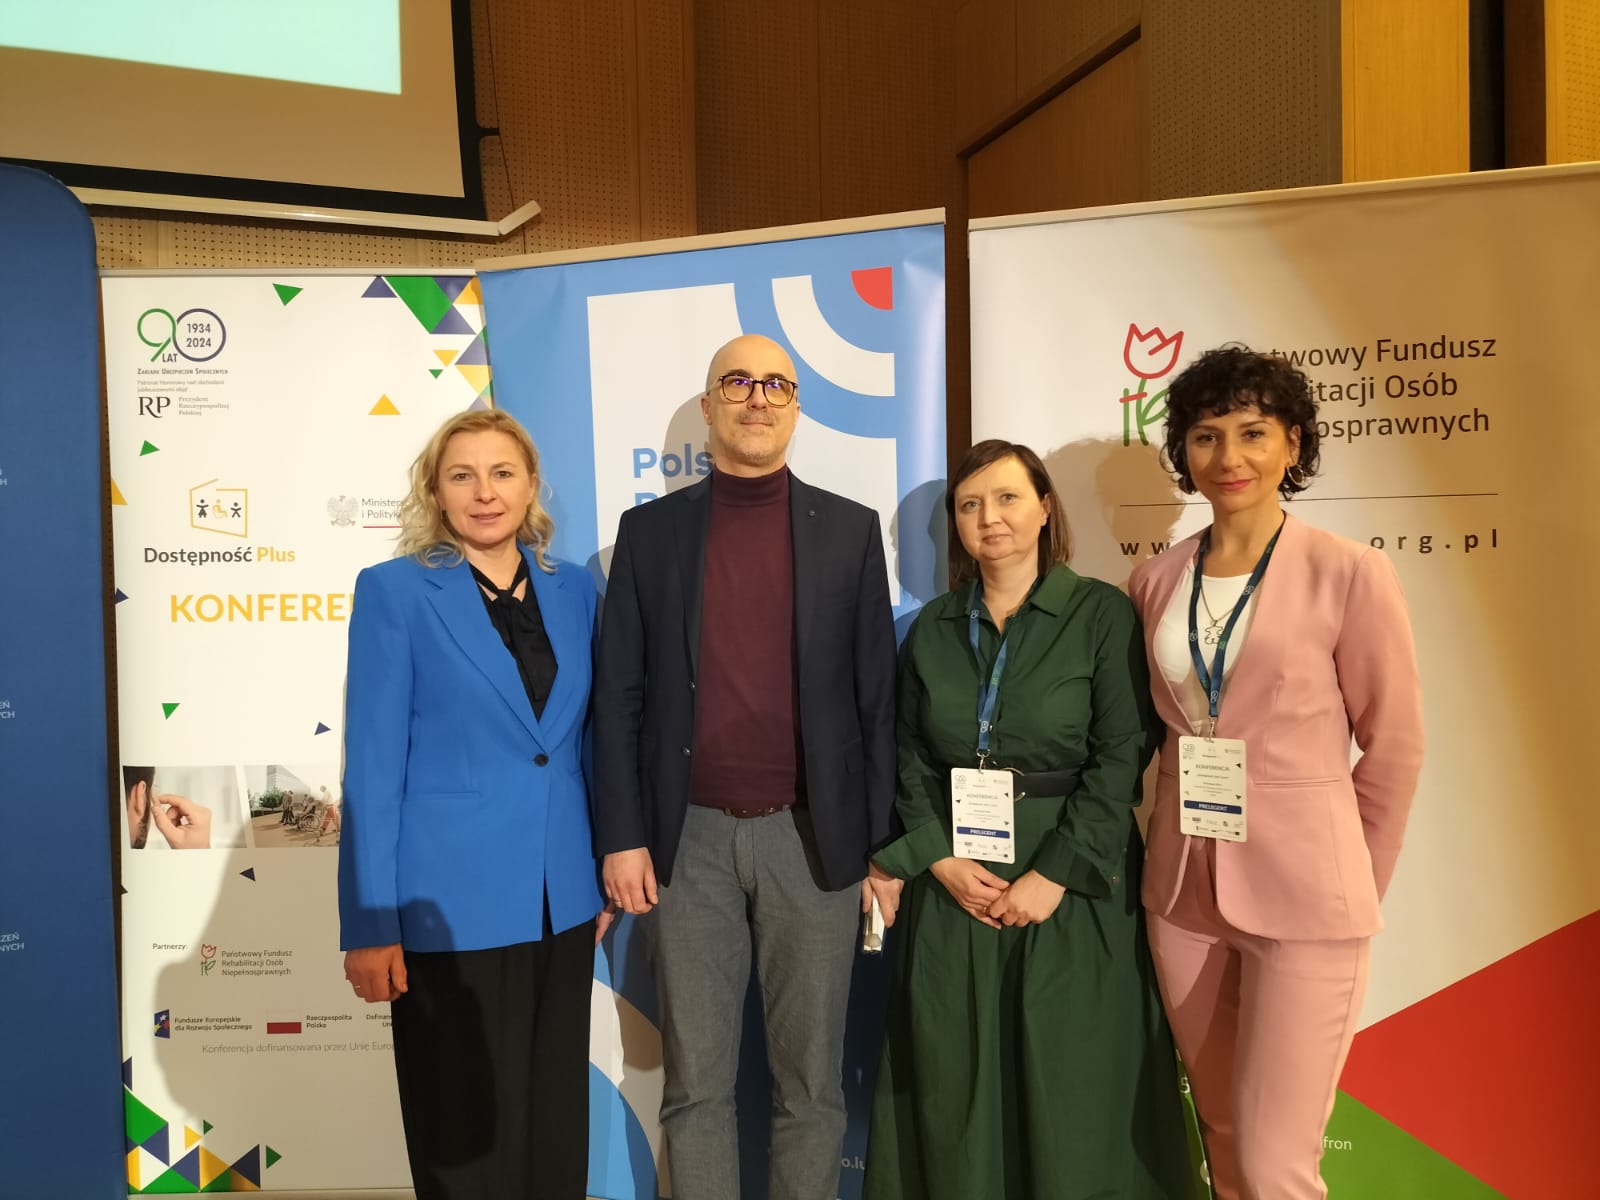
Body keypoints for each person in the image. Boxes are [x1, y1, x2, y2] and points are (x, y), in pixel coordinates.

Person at [593, 333, 899, 1200]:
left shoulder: (849, 530)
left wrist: (882, 848)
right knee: (696, 1090)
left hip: (816, 843)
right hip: (686, 846)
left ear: (797, 406)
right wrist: (622, 836)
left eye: (776, 384)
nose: (758, 398)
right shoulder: (649, 534)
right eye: (738, 382)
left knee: (812, 1089)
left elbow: (876, 702)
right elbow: (619, 699)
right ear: (709, 404)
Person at [1128, 346, 1424, 1199]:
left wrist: (1348, 882)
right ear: (1184, 451)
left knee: (1275, 1163)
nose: (1230, 457)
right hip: (1182, 897)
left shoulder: (1348, 571)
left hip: (1306, 900)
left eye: (1253, 433)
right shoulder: (1155, 580)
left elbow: (1394, 745)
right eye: (1206, 436)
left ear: (1293, 444)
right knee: (1222, 1140)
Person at [863, 440, 1193, 1199]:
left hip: (1072, 884)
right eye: (970, 505)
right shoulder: (933, 627)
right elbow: (907, 757)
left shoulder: (1100, 614)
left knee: (1074, 1082)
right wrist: (937, 858)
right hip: (958, 887)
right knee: (955, 1079)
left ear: (1045, 509)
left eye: (1008, 498)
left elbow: (1122, 755)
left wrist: (1056, 874)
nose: (991, 518)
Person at [338, 408, 609, 1200]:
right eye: (462, 475)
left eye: (501, 473)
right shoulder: (395, 592)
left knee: (553, 1119)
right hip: (446, 907)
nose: (484, 492)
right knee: (460, 1132)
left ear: (531, 486)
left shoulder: (575, 590)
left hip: (562, 901)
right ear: (435, 491)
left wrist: (597, 866)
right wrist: (369, 924)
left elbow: (590, 742)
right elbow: (373, 769)